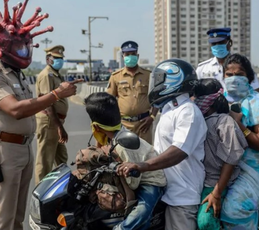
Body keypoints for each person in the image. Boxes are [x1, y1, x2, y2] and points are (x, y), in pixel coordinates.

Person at [0, 0, 82, 229]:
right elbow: (15, 110)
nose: (25, 50)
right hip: (5, 150)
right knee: (4, 216)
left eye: (26, 44)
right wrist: (57, 94)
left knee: (18, 215)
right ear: (2, 45)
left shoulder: (17, 74)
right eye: (19, 45)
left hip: (24, 147)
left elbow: (32, 105)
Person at [117, 59, 207, 230]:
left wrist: (142, 166)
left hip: (182, 196)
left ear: (174, 79)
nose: (155, 84)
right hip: (165, 191)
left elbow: (179, 151)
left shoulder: (188, 111)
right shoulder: (169, 109)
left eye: (159, 79)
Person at [84, 92, 166, 230]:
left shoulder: (123, 144)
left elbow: (133, 183)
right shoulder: (115, 135)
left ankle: (122, 228)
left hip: (151, 180)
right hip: (135, 176)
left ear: (96, 126)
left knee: (142, 211)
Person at [220, 54, 259, 229]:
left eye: (240, 74)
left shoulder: (257, 104)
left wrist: (239, 125)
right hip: (223, 167)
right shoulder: (220, 100)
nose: (233, 78)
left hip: (252, 171)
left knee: (233, 211)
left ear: (249, 78)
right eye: (229, 75)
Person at [193, 79, 247, 230]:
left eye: (198, 98)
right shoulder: (199, 120)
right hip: (200, 181)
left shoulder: (224, 121)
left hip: (217, 183)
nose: (195, 102)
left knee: (206, 222)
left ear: (209, 100)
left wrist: (216, 193)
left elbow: (231, 159)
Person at [106, 41, 158, 144]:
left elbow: (156, 97)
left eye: (133, 54)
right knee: (124, 155)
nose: (130, 56)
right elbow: (108, 101)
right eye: (127, 54)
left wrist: (152, 117)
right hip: (124, 124)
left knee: (145, 156)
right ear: (123, 56)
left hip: (144, 124)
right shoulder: (115, 76)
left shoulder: (148, 75)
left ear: (137, 56)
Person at [34, 45, 70, 185]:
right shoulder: (46, 75)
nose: (59, 61)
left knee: (62, 158)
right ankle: (40, 194)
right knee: (44, 162)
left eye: (61, 58)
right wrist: (59, 127)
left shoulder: (55, 74)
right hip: (50, 122)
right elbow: (47, 104)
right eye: (56, 58)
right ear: (48, 59)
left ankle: (61, 188)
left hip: (55, 122)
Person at [196, 28, 259, 93]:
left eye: (221, 42)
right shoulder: (202, 69)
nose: (217, 46)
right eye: (214, 43)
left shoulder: (243, 65)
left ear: (230, 43)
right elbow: (194, 94)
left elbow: (256, 91)